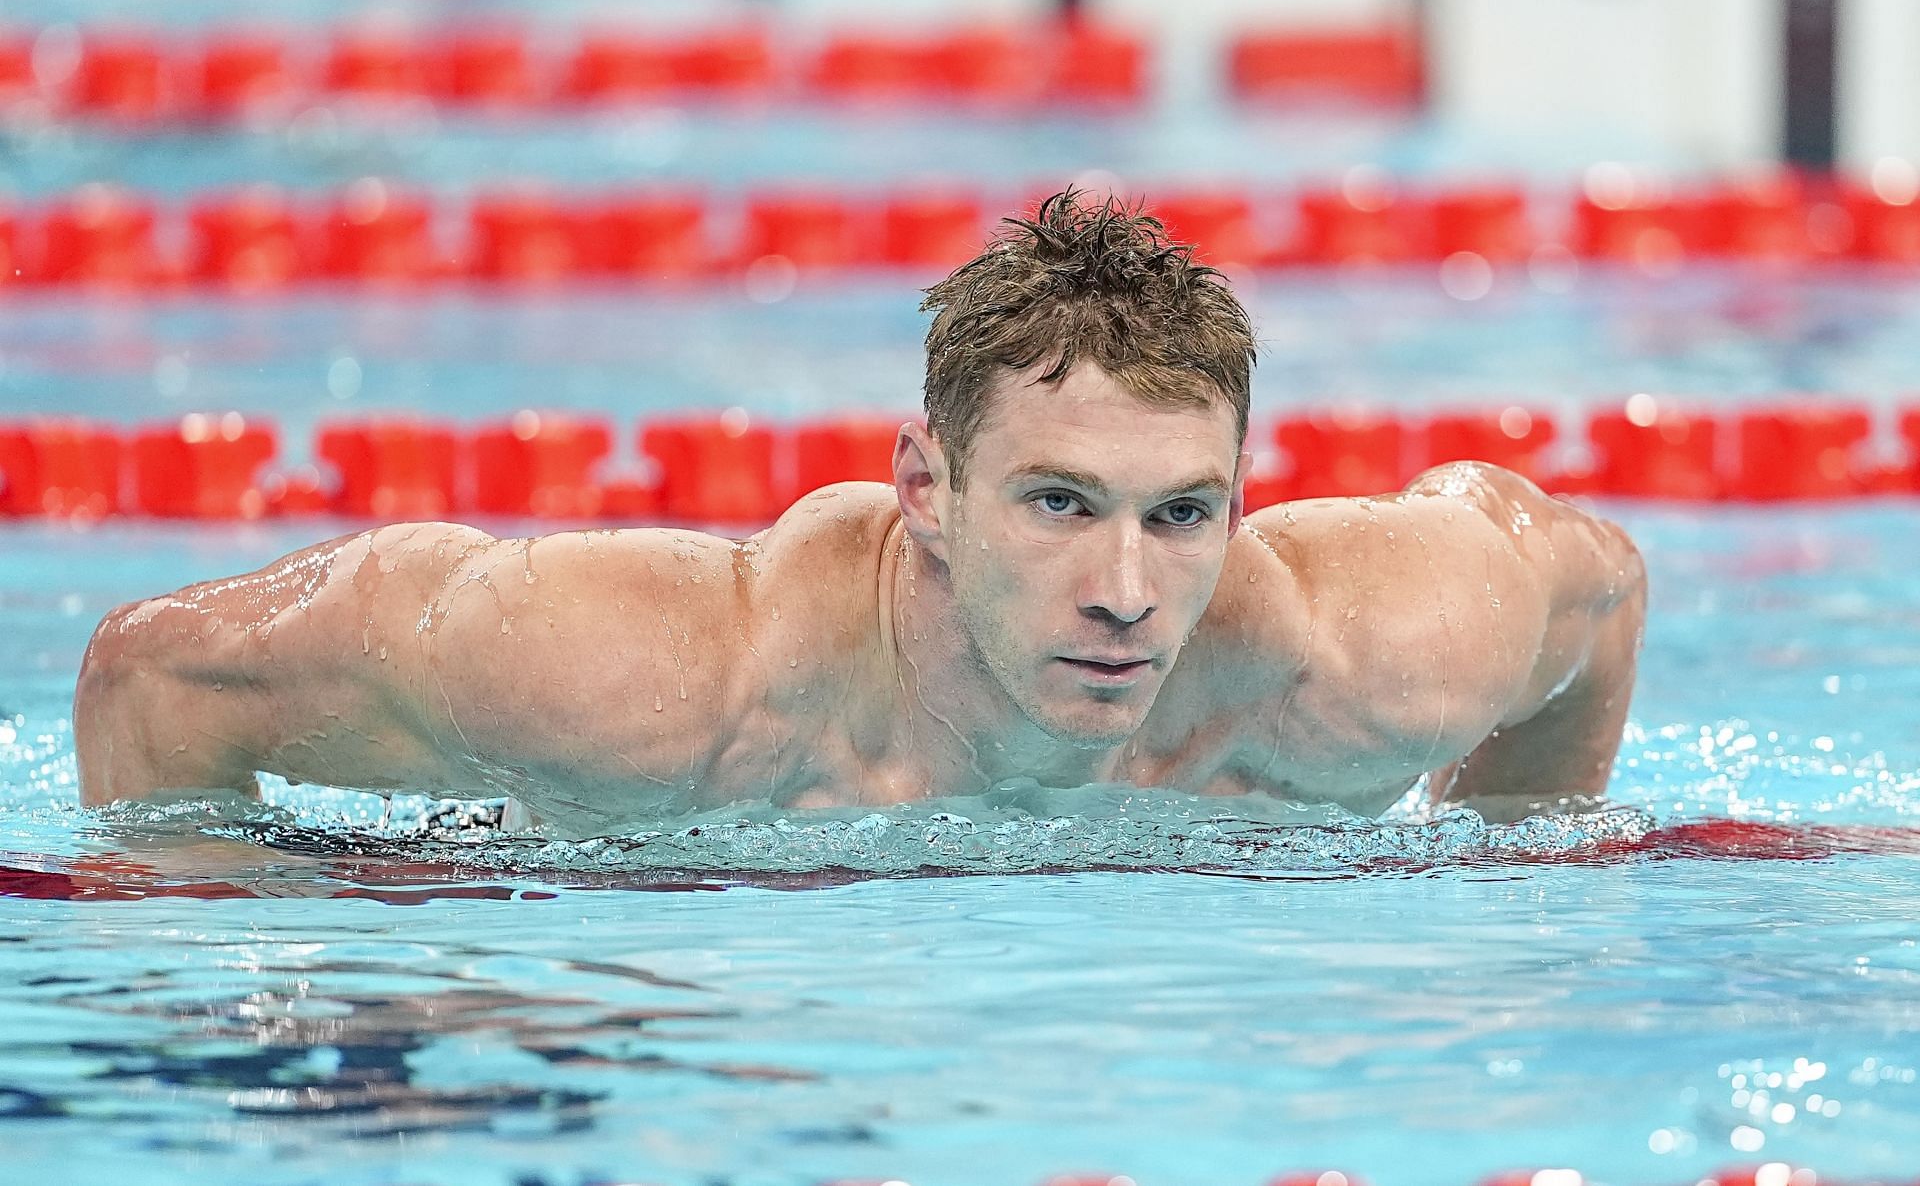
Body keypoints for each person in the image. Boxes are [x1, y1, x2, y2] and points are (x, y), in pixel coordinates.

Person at [74, 191, 1646, 833]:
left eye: (1182, 516)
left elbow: (1602, 590)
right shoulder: (648, 679)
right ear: (926, 491)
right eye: (1056, 502)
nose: (1125, 590)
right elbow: (153, 678)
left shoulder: (1374, 659)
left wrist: (1508, 874)